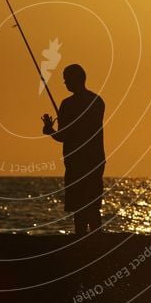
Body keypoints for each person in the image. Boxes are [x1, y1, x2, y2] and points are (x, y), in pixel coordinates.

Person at [42, 64, 105, 234]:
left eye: (66, 78)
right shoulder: (97, 101)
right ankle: (96, 239)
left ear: (75, 79)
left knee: (79, 205)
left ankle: (81, 239)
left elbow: (63, 136)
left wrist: (49, 130)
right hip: (95, 160)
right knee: (92, 204)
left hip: (77, 162)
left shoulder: (67, 104)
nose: (64, 82)